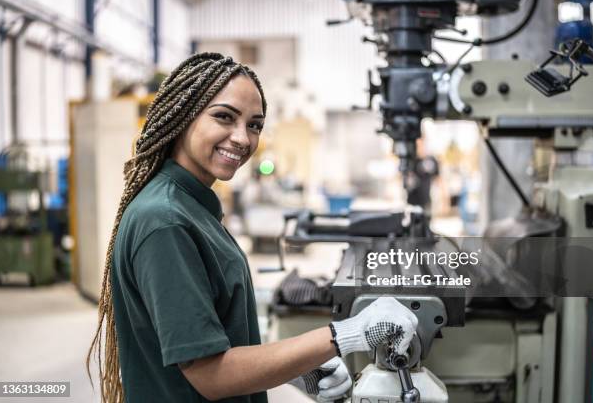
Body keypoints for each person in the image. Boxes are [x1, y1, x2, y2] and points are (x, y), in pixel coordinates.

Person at [86, 53, 418, 403]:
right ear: (183, 117)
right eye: (224, 117)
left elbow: (211, 340)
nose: (242, 138)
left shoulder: (191, 206)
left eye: (255, 125)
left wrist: (294, 368)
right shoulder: (165, 221)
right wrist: (344, 335)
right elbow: (211, 375)